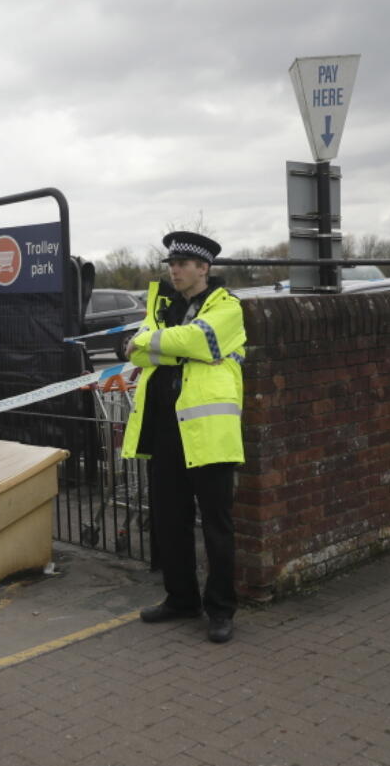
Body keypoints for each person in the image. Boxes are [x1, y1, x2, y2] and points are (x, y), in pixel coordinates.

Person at [121, 231, 246, 643]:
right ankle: (181, 599)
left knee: (216, 527)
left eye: (182, 264)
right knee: (169, 522)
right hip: (164, 432)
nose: (173, 270)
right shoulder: (162, 306)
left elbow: (201, 341)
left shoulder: (228, 308)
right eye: (170, 264)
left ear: (203, 269)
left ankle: (221, 609)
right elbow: (140, 353)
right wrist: (154, 345)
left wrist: (150, 343)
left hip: (208, 435)